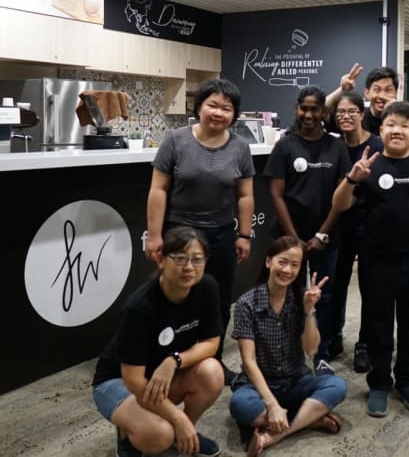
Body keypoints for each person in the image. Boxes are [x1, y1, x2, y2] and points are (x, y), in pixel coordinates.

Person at [332, 101, 409, 417]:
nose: (396, 130)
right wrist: (353, 178)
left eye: (403, 125)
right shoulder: (368, 165)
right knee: (378, 324)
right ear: (380, 131)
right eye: (390, 124)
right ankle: (380, 383)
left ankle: (408, 381)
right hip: (376, 260)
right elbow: (340, 203)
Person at [146, 78, 254, 383]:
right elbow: (158, 190)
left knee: (217, 300)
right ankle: (166, 360)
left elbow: (245, 196)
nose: (218, 112)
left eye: (226, 107)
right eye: (212, 105)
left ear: (234, 114)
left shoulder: (240, 147)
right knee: (173, 295)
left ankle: (213, 363)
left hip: (220, 235)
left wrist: (244, 235)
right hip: (179, 233)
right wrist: (155, 236)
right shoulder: (176, 141)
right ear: (199, 107)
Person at [92, 227, 224, 457]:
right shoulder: (139, 307)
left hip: (161, 376)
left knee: (213, 372)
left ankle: (184, 436)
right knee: (158, 435)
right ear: (161, 260)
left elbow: (212, 342)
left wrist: (174, 361)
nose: (189, 267)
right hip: (118, 382)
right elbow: (132, 380)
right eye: (180, 259)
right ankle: (131, 433)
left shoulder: (207, 287)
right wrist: (178, 417)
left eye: (197, 259)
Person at [229, 236, 347, 456]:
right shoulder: (247, 303)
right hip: (257, 386)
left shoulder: (300, 299)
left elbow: (311, 350)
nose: (287, 270)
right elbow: (248, 361)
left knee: (337, 386)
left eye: (295, 265)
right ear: (268, 262)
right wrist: (272, 404)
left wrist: (310, 311)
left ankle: (273, 435)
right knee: (239, 404)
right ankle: (308, 419)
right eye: (282, 262)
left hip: (295, 382)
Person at [263, 85, 351, 367]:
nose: (309, 114)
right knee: (288, 296)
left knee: (322, 296)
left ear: (324, 112)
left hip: (327, 239)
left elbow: (341, 196)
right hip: (289, 239)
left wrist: (321, 233)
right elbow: (276, 194)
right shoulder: (284, 146)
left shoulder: (337, 146)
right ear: (296, 109)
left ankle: (320, 353)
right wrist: (293, 239)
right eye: (304, 108)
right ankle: (290, 352)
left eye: (315, 109)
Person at [329, 90, 383, 373]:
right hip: (340, 224)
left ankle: (364, 343)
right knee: (337, 283)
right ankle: (334, 335)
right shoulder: (335, 146)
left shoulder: (377, 145)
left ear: (362, 115)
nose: (346, 117)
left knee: (369, 286)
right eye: (340, 113)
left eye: (351, 112)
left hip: (371, 224)